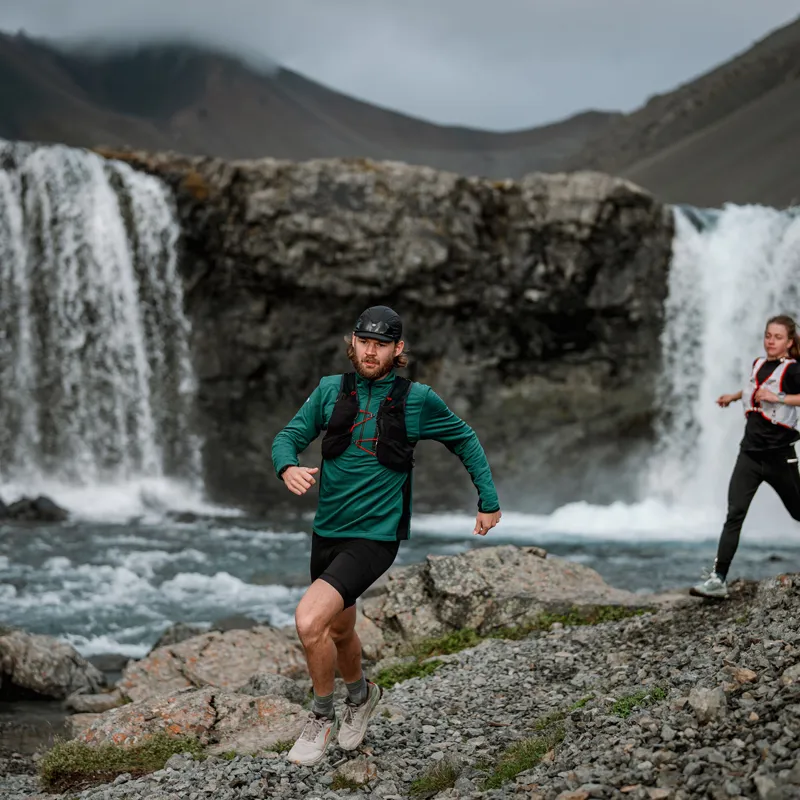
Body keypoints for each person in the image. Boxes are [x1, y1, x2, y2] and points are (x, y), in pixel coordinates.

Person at [271, 305, 502, 765]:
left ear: (398, 350)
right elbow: (288, 436)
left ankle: (321, 716)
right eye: (364, 342)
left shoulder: (418, 399)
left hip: (375, 536)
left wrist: (488, 500)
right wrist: (288, 466)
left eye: (381, 344)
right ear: (352, 343)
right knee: (339, 629)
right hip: (328, 531)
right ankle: (362, 695)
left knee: (308, 621)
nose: (370, 351)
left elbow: (465, 438)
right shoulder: (329, 390)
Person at [692, 314, 800, 599]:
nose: (770, 341)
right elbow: (755, 389)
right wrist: (734, 395)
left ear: (789, 342)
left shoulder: (793, 370)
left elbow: (779, 394)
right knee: (734, 514)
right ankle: (718, 579)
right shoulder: (758, 364)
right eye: (768, 335)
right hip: (750, 455)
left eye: (777, 337)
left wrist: (777, 399)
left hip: (780, 457)